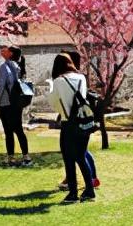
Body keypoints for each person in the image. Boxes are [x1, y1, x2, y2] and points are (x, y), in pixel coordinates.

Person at [48, 52, 96, 202]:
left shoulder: (58, 81)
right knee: (81, 157)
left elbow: (55, 104)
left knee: (69, 159)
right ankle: (89, 190)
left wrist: (50, 87)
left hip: (68, 123)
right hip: (83, 122)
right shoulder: (81, 78)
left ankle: (73, 193)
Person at [64, 51, 99, 188]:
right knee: (82, 151)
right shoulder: (80, 76)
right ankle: (92, 178)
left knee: (79, 152)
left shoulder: (74, 77)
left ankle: (87, 180)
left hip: (78, 118)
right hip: (85, 118)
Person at [0, 45, 31, 167]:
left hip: (6, 103)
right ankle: (26, 156)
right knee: (19, 130)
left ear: (10, 54)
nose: (3, 50)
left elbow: (0, 87)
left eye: (7, 50)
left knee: (8, 132)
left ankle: (11, 158)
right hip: (17, 104)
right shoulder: (19, 67)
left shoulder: (4, 67)